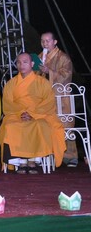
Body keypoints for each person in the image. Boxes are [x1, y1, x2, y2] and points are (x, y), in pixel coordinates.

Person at [0, 52, 66, 174]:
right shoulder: (11, 84)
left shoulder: (43, 82)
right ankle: (20, 161)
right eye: (19, 62)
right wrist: (21, 113)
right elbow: (7, 103)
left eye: (25, 62)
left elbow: (49, 102)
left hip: (38, 114)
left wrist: (31, 114)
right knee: (10, 126)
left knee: (41, 125)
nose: (21, 65)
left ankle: (33, 160)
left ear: (32, 64)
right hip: (17, 114)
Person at [36, 31, 77, 167]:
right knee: (45, 125)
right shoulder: (40, 57)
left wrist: (49, 72)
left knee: (65, 125)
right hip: (45, 98)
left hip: (61, 96)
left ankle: (70, 157)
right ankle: (48, 155)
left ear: (55, 42)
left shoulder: (63, 57)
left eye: (47, 41)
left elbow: (66, 75)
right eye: (42, 41)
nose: (45, 43)